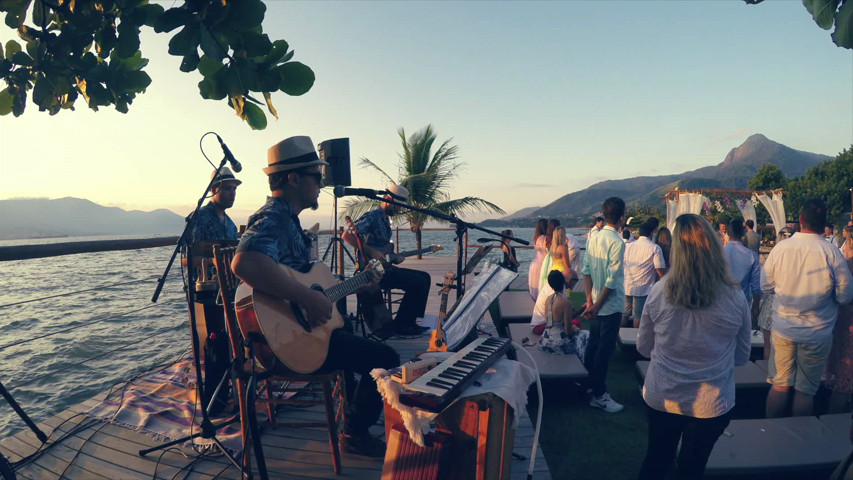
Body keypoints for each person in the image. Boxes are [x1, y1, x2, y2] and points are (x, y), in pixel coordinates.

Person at [231, 135, 400, 457]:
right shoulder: (275, 217)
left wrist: (355, 284)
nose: (321, 184)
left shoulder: (288, 219)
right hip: (286, 340)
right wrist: (309, 300)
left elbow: (305, 279)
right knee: (386, 359)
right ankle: (355, 433)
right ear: (293, 177)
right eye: (316, 176)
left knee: (346, 329)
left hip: (299, 330)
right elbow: (245, 261)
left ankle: (354, 415)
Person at [636, 214, 751, 480]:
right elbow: (742, 356)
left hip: (663, 395)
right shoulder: (735, 297)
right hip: (711, 403)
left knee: (656, 459)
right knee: (692, 468)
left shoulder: (659, 292)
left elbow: (643, 347)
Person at [762, 198, 853, 417]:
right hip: (817, 332)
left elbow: (765, 285)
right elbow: (845, 296)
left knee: (779, 386)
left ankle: (771, 434)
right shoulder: (832, 253)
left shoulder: (781, 249)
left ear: (800, 220)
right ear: (824, 224)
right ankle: (799, 441)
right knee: (805, 392)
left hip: (784, 328)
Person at [342, 183, 432, 336]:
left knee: (425, 277)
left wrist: (394, 258)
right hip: (372, 272)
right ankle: (403, 326)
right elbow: (347, 236)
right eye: (397, 206)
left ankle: (409, 322)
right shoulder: (372, 216)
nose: (400, 210)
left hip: (385, 268)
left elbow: (384, 250)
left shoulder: (385, 220)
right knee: (417, 282)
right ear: (387, 199)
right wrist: (372, 251)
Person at [582, 197, 626, 413]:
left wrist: (590, 301)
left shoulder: (593, 238)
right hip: (609, 306)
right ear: (621, 218)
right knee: (603, 350)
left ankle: (589, 386)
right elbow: (611, 279)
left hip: (597, 304)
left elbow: (586, 271)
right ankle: (599, 393)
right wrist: (596, 305)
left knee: (593, 346)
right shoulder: (617, 242)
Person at [756, 227, 794, 360]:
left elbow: (765, 284)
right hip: (793, 307)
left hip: (773, 302)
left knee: (769, 347)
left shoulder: (775, 253)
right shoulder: (798, 257)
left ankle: (767, 375)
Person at [622, 221, 666, 328]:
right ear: (651, 233)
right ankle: (635, 338)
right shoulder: (654, 248)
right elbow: (659, 269)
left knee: (624, 314)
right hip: (643, 287)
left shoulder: (628, 246)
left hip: (627, 285)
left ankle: (618, 336)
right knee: (639, 315)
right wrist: (664, 279)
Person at [538, 270, 590, 360]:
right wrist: (575, 330)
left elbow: (549, 320)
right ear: (563, 282)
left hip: (545, 341)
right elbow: (568, 331)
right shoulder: (566, 303)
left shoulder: (548, 299)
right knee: (586, 335)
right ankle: (582, 363)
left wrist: (581, 309)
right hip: (558, 344)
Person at [825, 254, 853, 413]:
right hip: (846, 323)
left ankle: (832, 422)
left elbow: (838, 295)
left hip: (845, 322)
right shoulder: (846, 264)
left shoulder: (846, 265)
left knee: (844, 375)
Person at [191, 166, 241, 243]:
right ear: (213, 190)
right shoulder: (198, 218)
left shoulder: (232, 226)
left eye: (234, 189)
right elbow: (190, 252)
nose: (232, 193)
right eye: (227, 188)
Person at [722, 219, 760, 308]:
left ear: (728, 233)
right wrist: (755, 306)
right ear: (743, 233)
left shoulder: (719, 252)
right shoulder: (751, 255)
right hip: (743, 303)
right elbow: (756, 286)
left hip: (722, 303)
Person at [528, 218, 549, 300]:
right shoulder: (544, 238)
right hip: (542, 263)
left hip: (535, 261)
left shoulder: (536, 238)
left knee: (534, 286)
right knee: (541, 285)